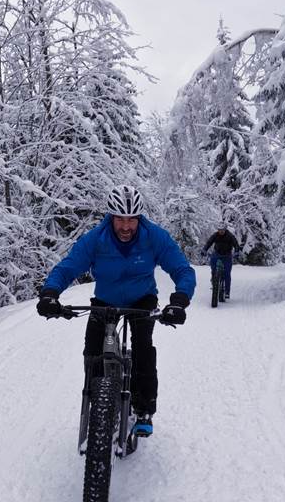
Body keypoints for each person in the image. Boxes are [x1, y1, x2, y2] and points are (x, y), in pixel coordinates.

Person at [36, 185, 196, 437]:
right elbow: (68, 268)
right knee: (92, 352)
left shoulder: (154, 237)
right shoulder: (95, 239)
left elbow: (182, 270)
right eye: (120, 218)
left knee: (143, 347)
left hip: (141, 300)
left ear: (139, 218)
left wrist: (179, 300)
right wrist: (50, 293)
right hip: (105, 299)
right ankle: (97, 403)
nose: (125, 226)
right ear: (111, 216)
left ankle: (143, 410)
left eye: (131, 219)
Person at [202, 224, 240, 299]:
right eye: (219, 230)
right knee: (213, 269)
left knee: (227, 274)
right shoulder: (215, 235)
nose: (220, 231)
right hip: (217, 254)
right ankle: (214, 282)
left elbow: (236, 244)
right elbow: (209, 242)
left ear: (225, 230)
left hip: (227, 256)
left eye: (222, 230)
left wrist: (236, 252)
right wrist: (204, 250)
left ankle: (227, 292)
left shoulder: (230, 236)